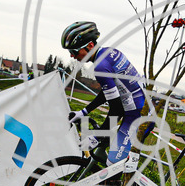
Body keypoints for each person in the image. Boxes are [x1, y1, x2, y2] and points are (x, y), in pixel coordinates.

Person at [61, 21, 146, 166]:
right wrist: (84, 111)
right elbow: (109, 92)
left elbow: (117, 108)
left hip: (136, 116)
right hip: (138, 110)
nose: (72, 56)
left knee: (113, 166)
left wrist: (99, 135)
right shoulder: (109, 53)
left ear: (90, 46)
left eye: (74, 51)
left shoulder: (100, 67)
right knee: (122, 167)